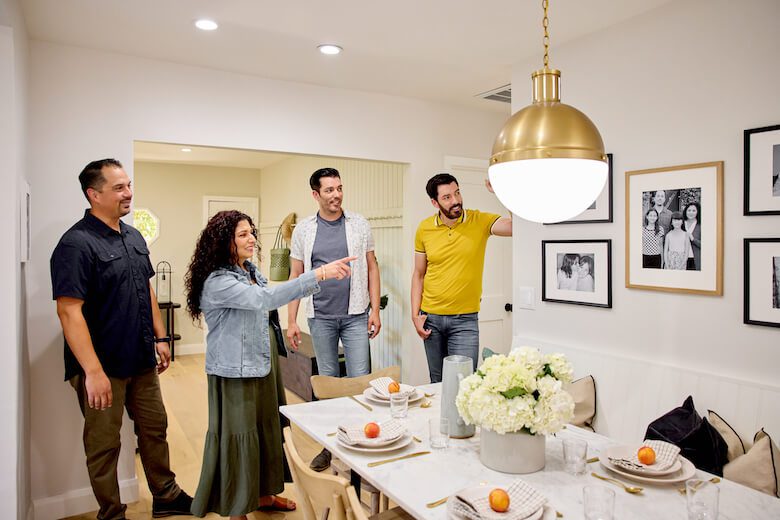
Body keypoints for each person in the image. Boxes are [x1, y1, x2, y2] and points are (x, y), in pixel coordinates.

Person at [184, 210, 354, 520]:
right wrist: (317, 274)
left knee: (267, 429)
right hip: (235, 369)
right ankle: (237, 507)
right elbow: (264, 299)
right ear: (224, 242)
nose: (251, 239)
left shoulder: (248, 269)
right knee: (240, 435)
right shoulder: (218, 281)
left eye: (252, 232)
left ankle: (264, 495)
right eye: (242, 234)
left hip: (262, 362)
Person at [50, 158, 193, 520]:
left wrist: (160, 338)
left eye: (128, 185)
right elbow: (69, 311)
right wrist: (93, 372)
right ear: (93, 194)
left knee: (155, 430)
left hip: (141, 359)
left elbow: (146, 289)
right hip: (102, 366)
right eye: (118, 187)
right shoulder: (75, 244)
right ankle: (112, 514)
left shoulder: (133, 236)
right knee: (104, 445)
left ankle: (166, 496)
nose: (128, 193)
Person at [286, 167, 380, 472]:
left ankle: (361, 446)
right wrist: (292, 320)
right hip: (321, 318)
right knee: (327, 386)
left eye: (339, 188)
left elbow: (372, 266)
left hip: (356, 316)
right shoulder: (303, 230)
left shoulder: (359, 224)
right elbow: (296, 274)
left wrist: (375, 310)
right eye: (329, 190)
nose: (336, 195)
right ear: (316, 194)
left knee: (359, 382)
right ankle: (329, 448)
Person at [412, 173, 512, 383]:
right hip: (431, 318)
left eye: (457, 193)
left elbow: (514, 227)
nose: (456, 200)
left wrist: (503, 192)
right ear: (435, 202)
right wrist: (415, 315)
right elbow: (419, 274)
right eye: (447, 197)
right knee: (437, 382)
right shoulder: (424, 228)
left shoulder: (479, 220)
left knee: (464, 383)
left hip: (465, 321)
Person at [682, 202, 702, 271]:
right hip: (681, 258)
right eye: (689, 210)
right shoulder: (681, 223)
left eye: (694, 211)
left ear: (697, 212)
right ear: (685, 211)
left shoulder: (700, 226)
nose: (691, 213)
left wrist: (693, 239)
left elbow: (705, 245)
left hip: (695, 259)